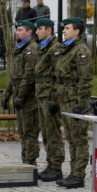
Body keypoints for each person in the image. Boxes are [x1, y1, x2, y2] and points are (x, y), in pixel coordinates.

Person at [54, 18, 93, 189]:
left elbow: (85, 79)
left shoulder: (81, 50)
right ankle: (72, 172)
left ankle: (78, 175)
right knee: (70, 138)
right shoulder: (65, 49)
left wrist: (81, 103)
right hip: (65, 99)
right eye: (64, 28)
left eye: (68, 28)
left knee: (79, 139)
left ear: (77, 31)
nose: (64, 31)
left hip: (75, 100)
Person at [4, 20, 40, 165]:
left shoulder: (31, 49)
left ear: (29, 32)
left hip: (29, 98)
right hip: (19, 96)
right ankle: (25, 160)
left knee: (29, 131)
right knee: (22, 131)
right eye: (17, 30)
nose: (16, 33)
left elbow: (29, 75)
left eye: (20, 30)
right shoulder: (19, 49)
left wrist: (20, 97)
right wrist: (7, 95)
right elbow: (14, 76)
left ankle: (30, 162)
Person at [33, 18, 65, 182]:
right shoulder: (43, 47)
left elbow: (58, 76)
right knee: (45, 131)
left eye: (40, 29)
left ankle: (56, 166)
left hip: (50, 95)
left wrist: (54, 99)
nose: (37, 32)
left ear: (49, 30)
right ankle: (50, 164)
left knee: (53, 131)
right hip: (41, 94)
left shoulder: (55, 48)